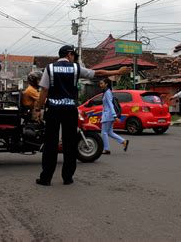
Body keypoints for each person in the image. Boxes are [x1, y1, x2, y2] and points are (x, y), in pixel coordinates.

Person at [34, 45, 131, 186]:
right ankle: (67, 178)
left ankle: (46, 178)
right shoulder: (75, 68)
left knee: (50, 144)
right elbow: (97, 73)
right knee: (70, 143)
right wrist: (118, 71)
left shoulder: (50, 68)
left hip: (53, 110)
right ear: (68, 54)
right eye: (73, 54)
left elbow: (44, 91)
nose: (74, 57)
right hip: (69, 110)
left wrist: (38, 109)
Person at [99, 78, 129, 154]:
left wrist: (114, 116)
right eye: (100, 83)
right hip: (108, 115)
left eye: (102, 83)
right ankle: (123, 141)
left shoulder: (107, 93)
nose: (100, 85)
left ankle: (106, 149)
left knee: (104, 133)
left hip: (108, 115)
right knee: (109, 132)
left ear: (106, 84)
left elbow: (110, 104)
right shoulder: (106, 92)